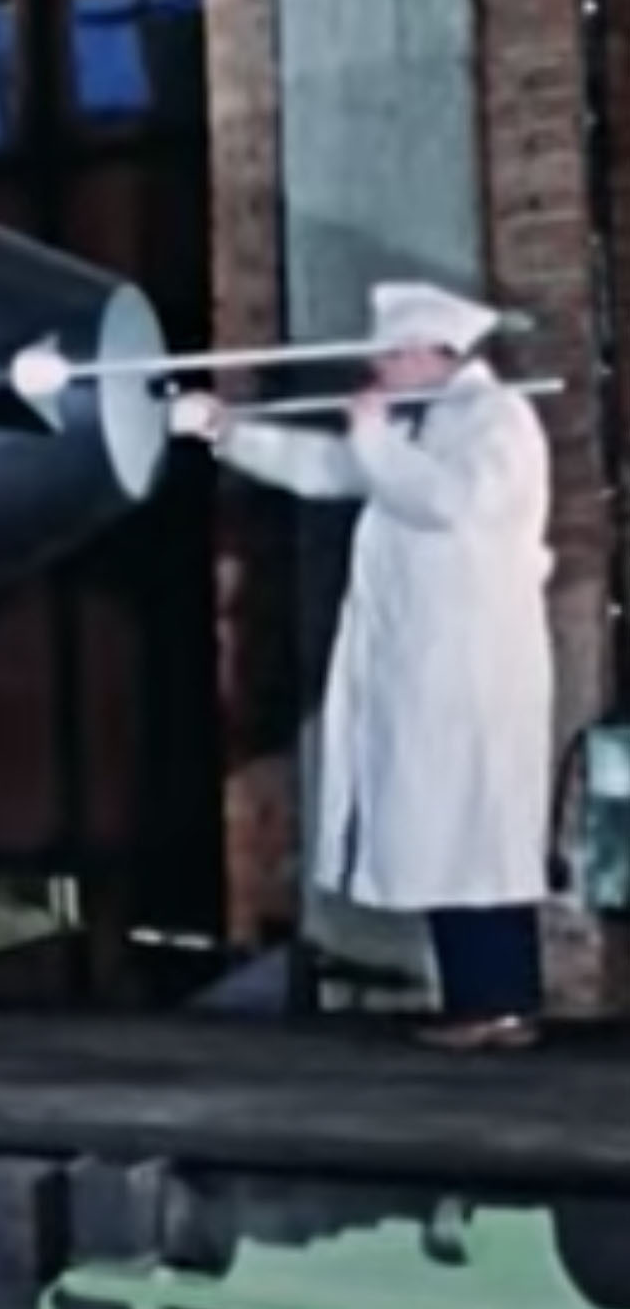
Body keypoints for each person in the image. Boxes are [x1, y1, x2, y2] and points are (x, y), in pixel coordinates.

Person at [171, 281, 555, 1050]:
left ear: (430, 353)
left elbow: (449, 502)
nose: (377, 368)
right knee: (448, 837)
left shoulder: (494, 419)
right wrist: (227, 430)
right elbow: (329, 469)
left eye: (389, 355)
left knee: (474, 839)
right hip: (432, 664)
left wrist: (375, 439)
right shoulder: (429, 420)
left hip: (471, 667)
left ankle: (498, 1002)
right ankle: (481, 1001)